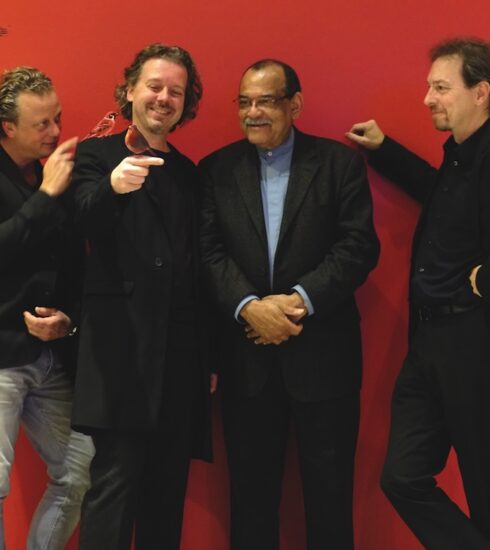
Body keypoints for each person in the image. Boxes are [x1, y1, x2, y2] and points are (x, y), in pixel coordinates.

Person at [200, 59, 379, 550]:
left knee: (330, 500)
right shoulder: (215, 170)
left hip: (325, 361)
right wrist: (249, 306)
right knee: (250, 503)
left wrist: (297, 302)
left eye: (265, 101)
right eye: (244, 102)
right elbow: (207, 252)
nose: (252, 112)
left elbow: (358, 246)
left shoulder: (339, 164)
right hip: (246, 362)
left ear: (294, 104)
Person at [346, 37, 490, 549]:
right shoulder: (461, 155)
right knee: (402, 477)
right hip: (429, 341)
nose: (428, 98)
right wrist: (384, 150)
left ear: (481, 92)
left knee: (484, 487)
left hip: (474, 342)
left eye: (441, 88)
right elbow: (439, 196)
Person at [70, 44, 212, 550]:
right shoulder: (96, 155)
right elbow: (78, 222)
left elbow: (198, 270)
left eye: (176, 91)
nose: (163, 98)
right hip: (120, 352)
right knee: (113, 488)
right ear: (130, 89)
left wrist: (207, 358)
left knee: (166, 495)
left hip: (179, 356)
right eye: (154, 86)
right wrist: (112, 187)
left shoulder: (190, 173)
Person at [0, 66, 94, 550]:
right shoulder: (49, 182)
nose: (56, 131)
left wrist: (70, 320)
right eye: (42, 123)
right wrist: (45, 196)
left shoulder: (53, 171)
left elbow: (74, 263)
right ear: (7, 127)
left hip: (50, 358)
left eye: (57, 118)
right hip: (1, 359)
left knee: (81, 472)